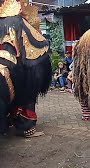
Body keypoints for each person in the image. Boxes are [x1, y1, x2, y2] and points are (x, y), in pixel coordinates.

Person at [0, 0, 52, 137]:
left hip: (10, 69)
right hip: (16, 69)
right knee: (28, 91)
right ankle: (25, 126)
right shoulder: (19, 24)